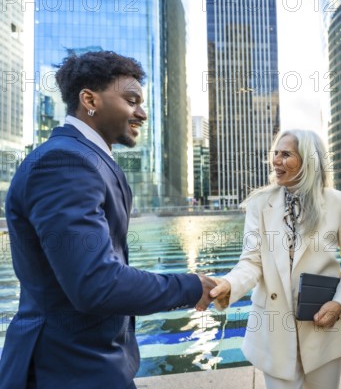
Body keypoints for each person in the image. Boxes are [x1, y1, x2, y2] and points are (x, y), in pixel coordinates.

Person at [0, 51, 216, 389]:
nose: (141, 113)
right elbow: (95, 283)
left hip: (89, 364)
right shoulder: (64, 163)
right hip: (65, 370)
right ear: (89, 100)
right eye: (132, 100)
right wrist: (191, 286)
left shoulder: (84, 157)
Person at [206, 129, 341, 389]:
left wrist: (339, 304)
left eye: (286, 154)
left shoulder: (337, 202)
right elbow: (251, 261)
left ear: (308, 161)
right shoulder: (260, 203)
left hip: (323, 327)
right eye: (275, 153)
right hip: (274, 334)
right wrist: (229, 285)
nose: (276, 160)